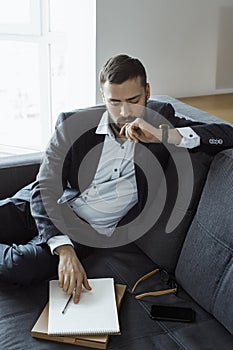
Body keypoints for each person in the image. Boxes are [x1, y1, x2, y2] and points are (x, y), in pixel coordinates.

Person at [0, 54, 232, 304]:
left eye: (134, 100)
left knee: (21, 266)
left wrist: (162, 135)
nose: (125, 112)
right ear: (103, 97)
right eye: (114, 102)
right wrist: (63, 251)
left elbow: (226, 135)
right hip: (39, 207)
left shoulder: (161, 118)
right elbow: (45, 186)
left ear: (147, 92)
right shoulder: (71, 124)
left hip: (82, 232)